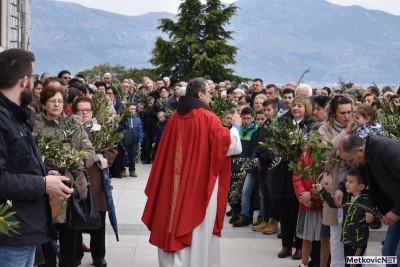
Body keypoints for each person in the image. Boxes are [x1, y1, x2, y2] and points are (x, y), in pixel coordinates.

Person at [142, 77, 242, 267]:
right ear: (200, 94)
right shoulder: (208, 118)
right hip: (198, 183)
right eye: (209, 92)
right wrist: (235, 127)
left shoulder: (174, 118)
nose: (211, 96)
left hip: (172, 184)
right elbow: (229, 145)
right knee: (196, 226)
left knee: (169, 221)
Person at [0, 48, 73, 267]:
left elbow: (16, 164)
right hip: (10, 233)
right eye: (33, 77)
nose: (34, 84)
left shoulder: (15, 116)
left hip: (24, 227)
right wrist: (42, 184)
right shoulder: (3, 119)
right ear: (24, 81)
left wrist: (44, 173)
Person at [34, 86, 96, 267]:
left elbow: (89, 153)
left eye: (60, 100)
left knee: (70, 242)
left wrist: (72, 161)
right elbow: (29, 157)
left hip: (71, 190)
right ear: (44, 103)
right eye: (52, 100)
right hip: (46, 191)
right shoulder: (35, 125)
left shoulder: (73, 123)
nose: (56, 104)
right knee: (46, 242)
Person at [337, 134, 400, 266]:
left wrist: (396, 210)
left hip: (397, 210)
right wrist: (341, 187)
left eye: (352, 160)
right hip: (396, 209)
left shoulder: (386, 149)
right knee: (388, 252)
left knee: (398, 255)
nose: (352, 163)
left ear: (360, 150)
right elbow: (359, 172)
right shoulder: (366, 157)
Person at [72, 96, 118, 267]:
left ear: (92, 112)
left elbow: (112, 150)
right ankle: (75, 254)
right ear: (74, 112)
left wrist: (99, 158)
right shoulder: (69, 130)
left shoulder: (100, 129)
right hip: (77, 180)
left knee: (98, 219)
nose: (84, 114)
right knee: (75, 218)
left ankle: (98, 255)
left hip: (97, 180)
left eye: (87, 110)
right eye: (80, 110)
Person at [270, 96, 315, 260]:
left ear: (307, 108)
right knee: (285, 212)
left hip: (299, 174)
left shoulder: (310, 125)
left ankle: (300, 246)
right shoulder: (282, 122)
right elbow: (271, 143)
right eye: (294, 106)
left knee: (298, 213)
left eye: (300, 106)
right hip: (281, 174)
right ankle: (286, 245)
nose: (296, 108)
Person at [318, 94, 357, 267]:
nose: (347, 116)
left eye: (349, 112)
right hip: (334, 186)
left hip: (356, 188)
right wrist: (345, 133)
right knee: (335, 235)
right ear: (333, 113)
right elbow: (324, 153)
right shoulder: (324, 129)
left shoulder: (359, 126)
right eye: (342, 113)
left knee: (356, 234)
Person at [317, 165, 381, 267]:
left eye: (351, 182)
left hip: (357, 244)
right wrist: (321, 191)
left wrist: (372, 220)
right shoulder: (347, 197)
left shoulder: (367, 201)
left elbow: (377, 224)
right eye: (347, 180)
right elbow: (332, 202)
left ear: (361, 186)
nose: (346, 184)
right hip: (346, 241)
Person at [293, 123, 330, 267]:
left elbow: (327, 181)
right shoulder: (304, 155)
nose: (315, 140)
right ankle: (303, 264)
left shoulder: (326, 157)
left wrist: (312, 194)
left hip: (321, 204)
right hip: (306, 203)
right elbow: (297, 175)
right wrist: (302, 194)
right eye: (312, 136)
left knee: (324, 238)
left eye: (318, 136)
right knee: (306, 237)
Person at [121, 103, 143, 178]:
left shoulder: (137, 119)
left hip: (134, 140)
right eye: (131, 109)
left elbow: (140, 130)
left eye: (134, 109)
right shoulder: (124, 118)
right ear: (127, 109)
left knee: (132, 156)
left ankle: (132, 170)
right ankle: (122, 170)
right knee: (124, 155)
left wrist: (140, 140)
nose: (132, 111)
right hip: (126, 140)